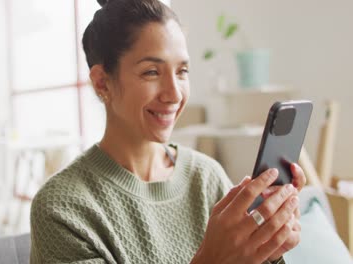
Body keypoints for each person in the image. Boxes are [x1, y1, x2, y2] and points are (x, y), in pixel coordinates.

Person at [30, 0, 306, 263]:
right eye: (151, 72)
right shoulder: (62, 208)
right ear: (102, 83)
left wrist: (267, 252)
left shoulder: (207, 178)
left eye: (182, 71)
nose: (174, 94)